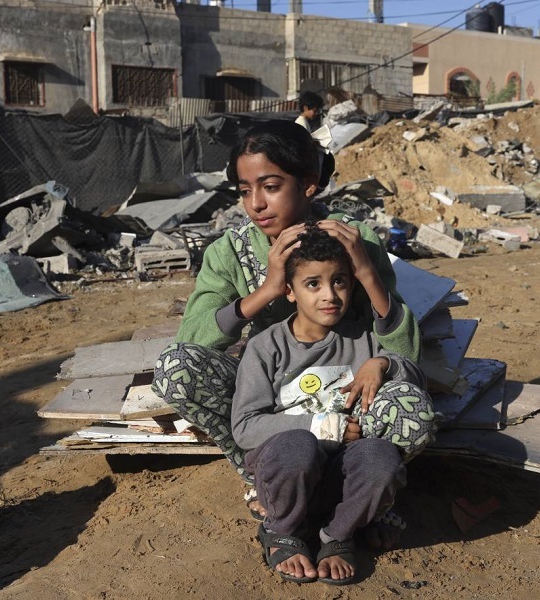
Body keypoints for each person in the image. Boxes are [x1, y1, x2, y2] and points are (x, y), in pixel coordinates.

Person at [151, 120, 422, 546]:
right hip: (268, 401)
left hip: (347, 395)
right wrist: (267, 291)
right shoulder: (231, 252)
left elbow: (406, 353)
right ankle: (269, 478)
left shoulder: (353, 240)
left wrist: (367, 273)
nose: (256, 204)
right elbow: (192, 339)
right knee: (176, 369)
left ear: (308, 184)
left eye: (271, 186)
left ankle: (360, 484)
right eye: (244, 191)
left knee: (411, 410)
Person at [231, 224, 437, 584]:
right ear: (290, 292)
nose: (330, 295)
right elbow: (246, 426)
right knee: (297, 446)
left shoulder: (362, 339)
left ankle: (337, 534)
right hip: (287, 473)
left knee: (380, 456)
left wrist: (384, 363)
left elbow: (415, 381)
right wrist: (323, 426)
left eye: (339, 281)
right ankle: (282, 529)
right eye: (313, 284)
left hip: (343, 475)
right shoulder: (267, 347)